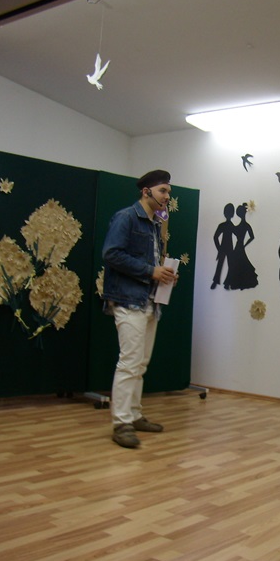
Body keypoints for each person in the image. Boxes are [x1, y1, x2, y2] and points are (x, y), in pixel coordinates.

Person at [102, 169, 179, 449]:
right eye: (163, 191)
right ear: (146, 192)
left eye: (168, 192)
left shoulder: (154, 224)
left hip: (149, 301)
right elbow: (111, 254)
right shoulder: (126, 217)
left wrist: (164, 275)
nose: (167, 197)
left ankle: (134, 415)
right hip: (128, 300)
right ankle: (121, 423)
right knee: (130, 362)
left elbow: (151, 263)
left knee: (140, 363)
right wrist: (151, 271)